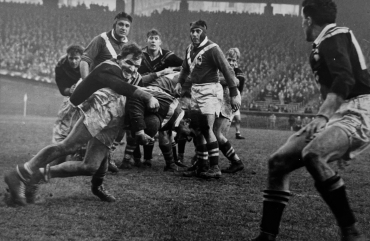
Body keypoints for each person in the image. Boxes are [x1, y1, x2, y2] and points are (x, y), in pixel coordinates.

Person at [250, 1, 370, 240]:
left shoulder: (334, 35)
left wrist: (324, 116)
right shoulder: (323, 43)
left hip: (359, 108)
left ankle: (352, 233)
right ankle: (266, 237)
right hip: (340, 112)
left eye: (302, 20)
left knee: (313, 154)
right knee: (278, 162)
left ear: (307, 19)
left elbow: (345, 79)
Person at [4, 43, 159, 207]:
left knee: (91, 166)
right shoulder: (108, 66)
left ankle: (38, 176)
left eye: (136, 66)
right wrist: (147, 96)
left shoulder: (133, 76)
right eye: (129, 63)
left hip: (111, 116)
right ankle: (21, 173)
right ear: (119, 59)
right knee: (68, 146)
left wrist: (141, 129)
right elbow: (119, 86)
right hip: (88, 108)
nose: (133, 68)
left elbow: (133, 90)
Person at [175, 20, 241, 179]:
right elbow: (185, 68)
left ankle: (215, 167)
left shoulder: (213, 48)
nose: (194, 34)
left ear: (204, 32)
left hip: (210, 90)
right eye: (192, 31)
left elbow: (227, 70)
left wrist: (234, 93)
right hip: (195, 90)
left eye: (198, 31)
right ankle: (201, 166)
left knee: (207, 129)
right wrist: (179, 82)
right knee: (196, 129)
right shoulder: (189, 49)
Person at [80, 11, 134, 173]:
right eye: (121, 24)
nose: (123, 28)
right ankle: (87, 157)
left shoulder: (127, 46)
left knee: (116, 128)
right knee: (94, 128)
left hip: (116, 93)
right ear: (114, 25)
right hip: (99, 92)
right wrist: (86, 87)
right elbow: (84, 61)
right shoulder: (101, 40)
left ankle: (105, 158)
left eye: (127, 26)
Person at [126, 28, 183, 169]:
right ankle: (134, 158)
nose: (153, 41)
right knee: (134, 121)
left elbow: (185, 67)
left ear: (160, 42)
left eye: (156, 38)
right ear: (147, 41)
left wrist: (176, 79)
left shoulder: (169, 56)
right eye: (151, 38)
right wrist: (160, 73)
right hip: (142, 90)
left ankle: (163, 161)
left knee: (161, 127)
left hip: (161, 93)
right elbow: (137, 79)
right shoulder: (140, 55)